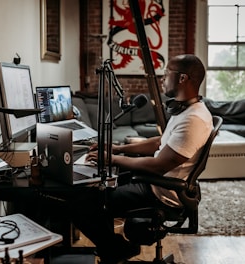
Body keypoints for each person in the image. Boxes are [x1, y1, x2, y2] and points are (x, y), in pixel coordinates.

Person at [64, 54, 213, 264]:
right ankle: (114, 248)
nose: (162, 78)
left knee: (80, 204)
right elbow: (160, 142)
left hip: (159, 192)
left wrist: (112, 159)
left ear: (182, 79)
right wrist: (118, 148)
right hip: (152, 182)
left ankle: (116, 249)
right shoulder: (186, 110)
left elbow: (159, 165)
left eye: (166, 73)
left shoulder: (193, 119)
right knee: (93, 187)